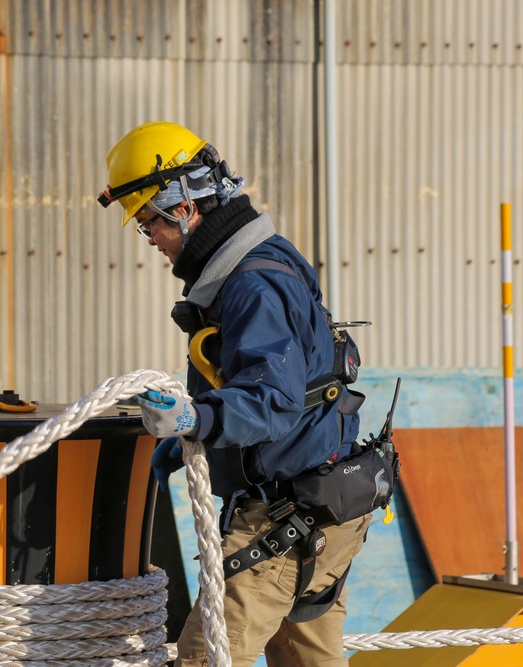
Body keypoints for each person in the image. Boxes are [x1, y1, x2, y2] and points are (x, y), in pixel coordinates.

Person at [98, 121, 370, 666]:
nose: (150, 238)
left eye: (148, 221)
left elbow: (272, 399)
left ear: (183, 207)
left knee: (204, 659)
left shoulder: (251, 285)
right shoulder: (264, 262)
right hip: (320, 512)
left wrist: (196, 419)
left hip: (282, 523)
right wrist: (205, 434)